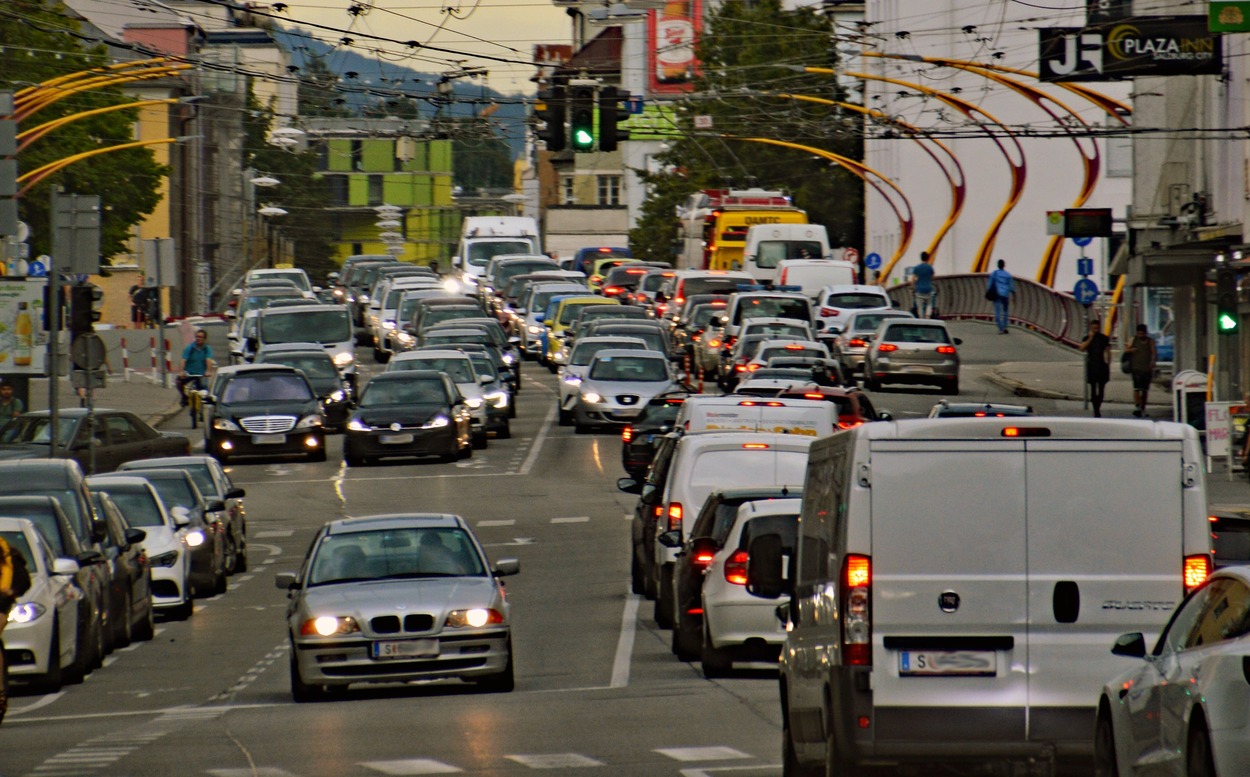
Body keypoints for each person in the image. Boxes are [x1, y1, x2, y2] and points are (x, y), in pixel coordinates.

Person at [1079, 319, 1111, 417]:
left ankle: (1098, 407)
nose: (1095, 330)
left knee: (1101, 389)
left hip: (1102, 365)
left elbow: (1108, 351)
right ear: (1091, 328)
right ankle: (1095, 410)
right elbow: (1082, 348)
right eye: (1094, 328)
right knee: (1093, 388)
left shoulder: (1104, 338)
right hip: (1092, 365)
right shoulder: (1087, 337)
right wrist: (1090, 337)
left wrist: (1108, 363)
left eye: (1097, 328)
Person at [1125, 323, 1157, 417]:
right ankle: (1137, 407)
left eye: (1142, 333)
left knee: (1145, 390)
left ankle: (1143, 407)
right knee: (1137, 388)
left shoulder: (1150, 341)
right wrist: (1132, 350)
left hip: (1147, 369)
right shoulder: (1133, 339)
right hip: (1135, 368)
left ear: (1145, 333)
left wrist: (1153, 361)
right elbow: (1126, 350)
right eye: (1139, 333)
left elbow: (1153, 352)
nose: (1140, 335)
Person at [177, 329, 215, 406]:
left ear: (204, 339)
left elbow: (208, 360)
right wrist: (181, 372)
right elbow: (183, 359)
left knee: (205, 392)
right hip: (190, 373)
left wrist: (208, 371)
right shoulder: (190, 348)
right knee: (179, 382)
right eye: (197, 336)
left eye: (200, 337)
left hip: (201, 375)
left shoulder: (207, 349)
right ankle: (184, 398)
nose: (198, 338)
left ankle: (202, 411)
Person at [987, 259, 1015, 334]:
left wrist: (989, 292)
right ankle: (1005, 326)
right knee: (1005, 311)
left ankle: (1001, 328)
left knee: (997, 312)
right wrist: (1013, 293)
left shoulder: (994, 274)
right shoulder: (1008, 274)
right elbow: (1011, 286)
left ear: (998, 265)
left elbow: (989, 285)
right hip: (1005, 295)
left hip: (997, 295)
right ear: (1004, 265)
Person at [912, 251, 935, 319]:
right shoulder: (930, 268)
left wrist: (913, 287)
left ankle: (921, 318)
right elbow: (932, 277)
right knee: (929, 304)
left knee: (920, 306)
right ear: (928, 258)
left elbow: (913, 279)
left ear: (921, 258)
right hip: (928, 289)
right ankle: (927, 316)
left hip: (919, 289)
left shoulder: (917, 268)